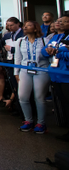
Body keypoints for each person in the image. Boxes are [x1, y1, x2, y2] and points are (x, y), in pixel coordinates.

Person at [15, 21, 49, 133]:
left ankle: (41, 123)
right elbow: (18, 58)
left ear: (35, 29)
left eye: (29, 25)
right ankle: (28, 121)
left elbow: (49, 57)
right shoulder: (20, 41)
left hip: (41, 70)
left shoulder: (45, 41)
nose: (25, 27)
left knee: (39, 97)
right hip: (25, 70)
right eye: (24, 26)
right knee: (23, 97)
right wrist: (16, 72)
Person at [42, 14, 69, 142]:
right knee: (63, 104)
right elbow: (43, 51)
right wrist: (48, 50)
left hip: (66, 76)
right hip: (55, 75)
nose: (60, 23)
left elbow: (63, 52)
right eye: (59, 21)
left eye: (64, 21)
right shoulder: (55, 37)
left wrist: (58, 51)